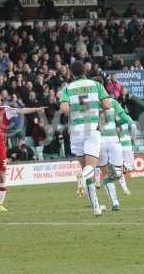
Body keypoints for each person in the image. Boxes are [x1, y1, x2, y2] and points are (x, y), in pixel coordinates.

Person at [0, 92, 46, 213]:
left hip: (1, 147)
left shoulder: (5, 110)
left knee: (1, 177)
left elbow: (21, 110)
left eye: (0, 99)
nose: (0, 101)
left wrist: (36, 109)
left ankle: (0, 204)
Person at [60, 61, 112, 216]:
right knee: (91, 168)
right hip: (91, 129)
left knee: (87, 169)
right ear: (85, 71)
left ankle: (96, 207)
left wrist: (75, 108)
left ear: (71, 73)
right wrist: (95, 104)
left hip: (76, 131)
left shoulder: (68, 88)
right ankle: (82, 177)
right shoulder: (96, 85)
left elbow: (64, 109)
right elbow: (108, 105)